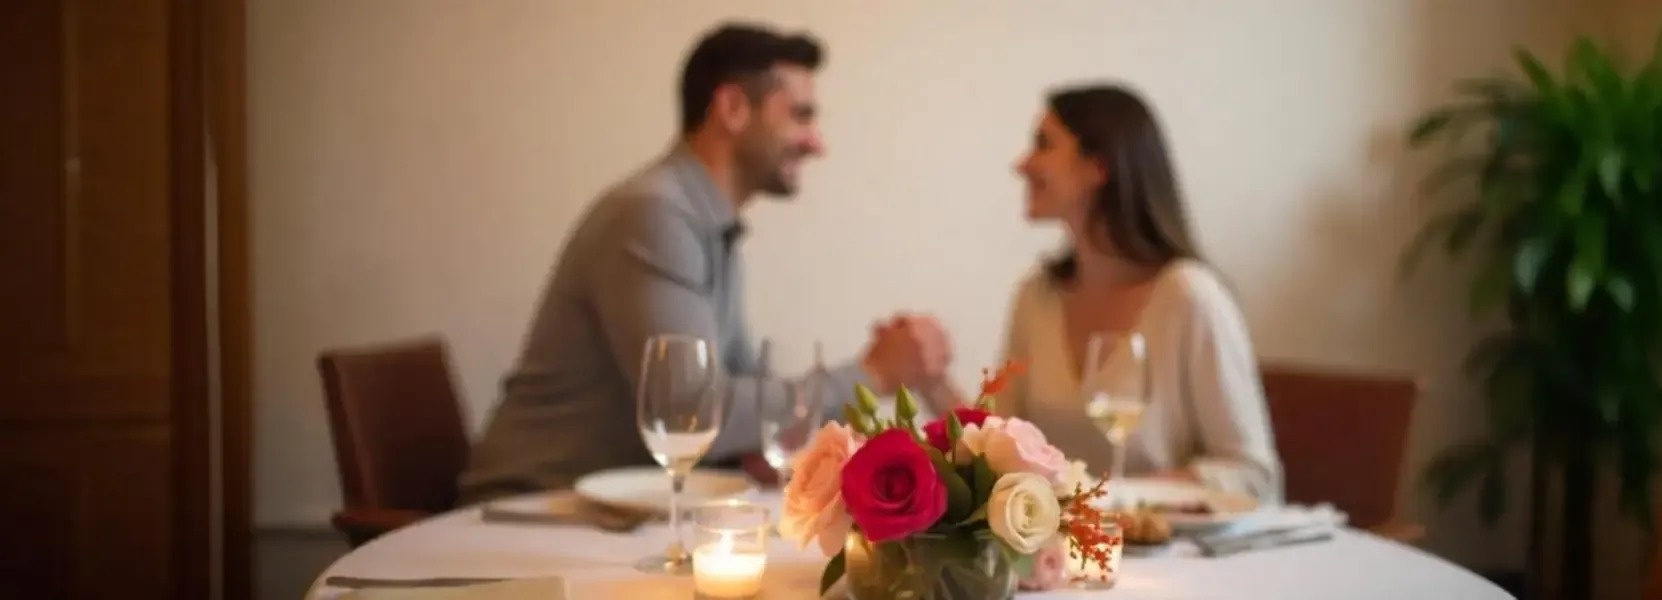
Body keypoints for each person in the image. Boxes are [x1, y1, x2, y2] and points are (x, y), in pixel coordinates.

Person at [458, 23, 952, 505]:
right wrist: (872, 374)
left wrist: (761, 441)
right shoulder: (653, 214)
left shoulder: (705, 223)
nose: (816, 142)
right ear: (733, 107)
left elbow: (731, 400)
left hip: (614, 513)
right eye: (800, 116)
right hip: (532, 510)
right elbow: (690, 414)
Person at [923, 83, 1282, 503]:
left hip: (1176, 559)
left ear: (1099, 167)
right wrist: (932, 383)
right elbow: (997, 454)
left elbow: (1255, 477)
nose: (1022, 164)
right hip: (1060, 559)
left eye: (1043, 144)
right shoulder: (1036, 297)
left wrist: (1125, 497)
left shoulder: (1190, 297)